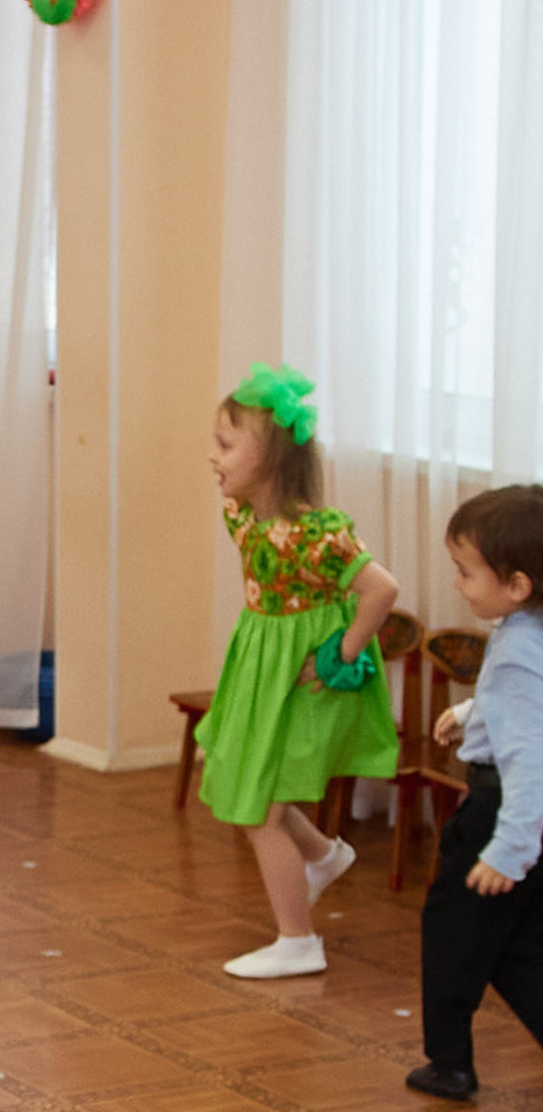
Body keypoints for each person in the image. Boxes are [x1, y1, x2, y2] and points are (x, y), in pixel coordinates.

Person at [197, 363, 401, 979]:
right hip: (263, 666)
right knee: (255, 787)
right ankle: (323, 855)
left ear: (274, 458)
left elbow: (382, 590)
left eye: (228, 445)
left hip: (308, 676)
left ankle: (298, 941)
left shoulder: (317, 535)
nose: (215, 457)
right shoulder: (242, 516)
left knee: (260, 808)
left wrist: (343, 652)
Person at [411, 485, 543, 1102]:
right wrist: (470, 712)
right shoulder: (533, 629)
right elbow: (528, 712)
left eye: (466, 573)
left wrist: (507, 850)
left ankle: (449, 1064)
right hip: (524, 818)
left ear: (517, 584)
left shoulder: (516, 648)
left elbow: (528, 759)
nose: (459, 585)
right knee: (519, 942)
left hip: (502, 817)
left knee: (453, 935)